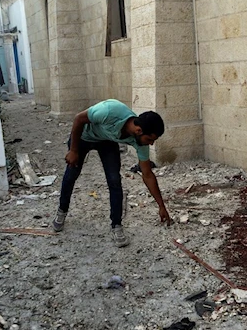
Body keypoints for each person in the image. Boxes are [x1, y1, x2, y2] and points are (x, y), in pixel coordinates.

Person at [53, 99, 171, 247]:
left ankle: (116, 225)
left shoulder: (140, 141)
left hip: (106, 141)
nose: (151, 144)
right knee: (71, 174)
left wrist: (161, 206)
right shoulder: (110, 111)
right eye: (150, 139)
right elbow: (79, 118)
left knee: (114, 180)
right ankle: (62, 211)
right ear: (139, 130)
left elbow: (147, 174)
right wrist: (74, 150)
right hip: (82, 137)